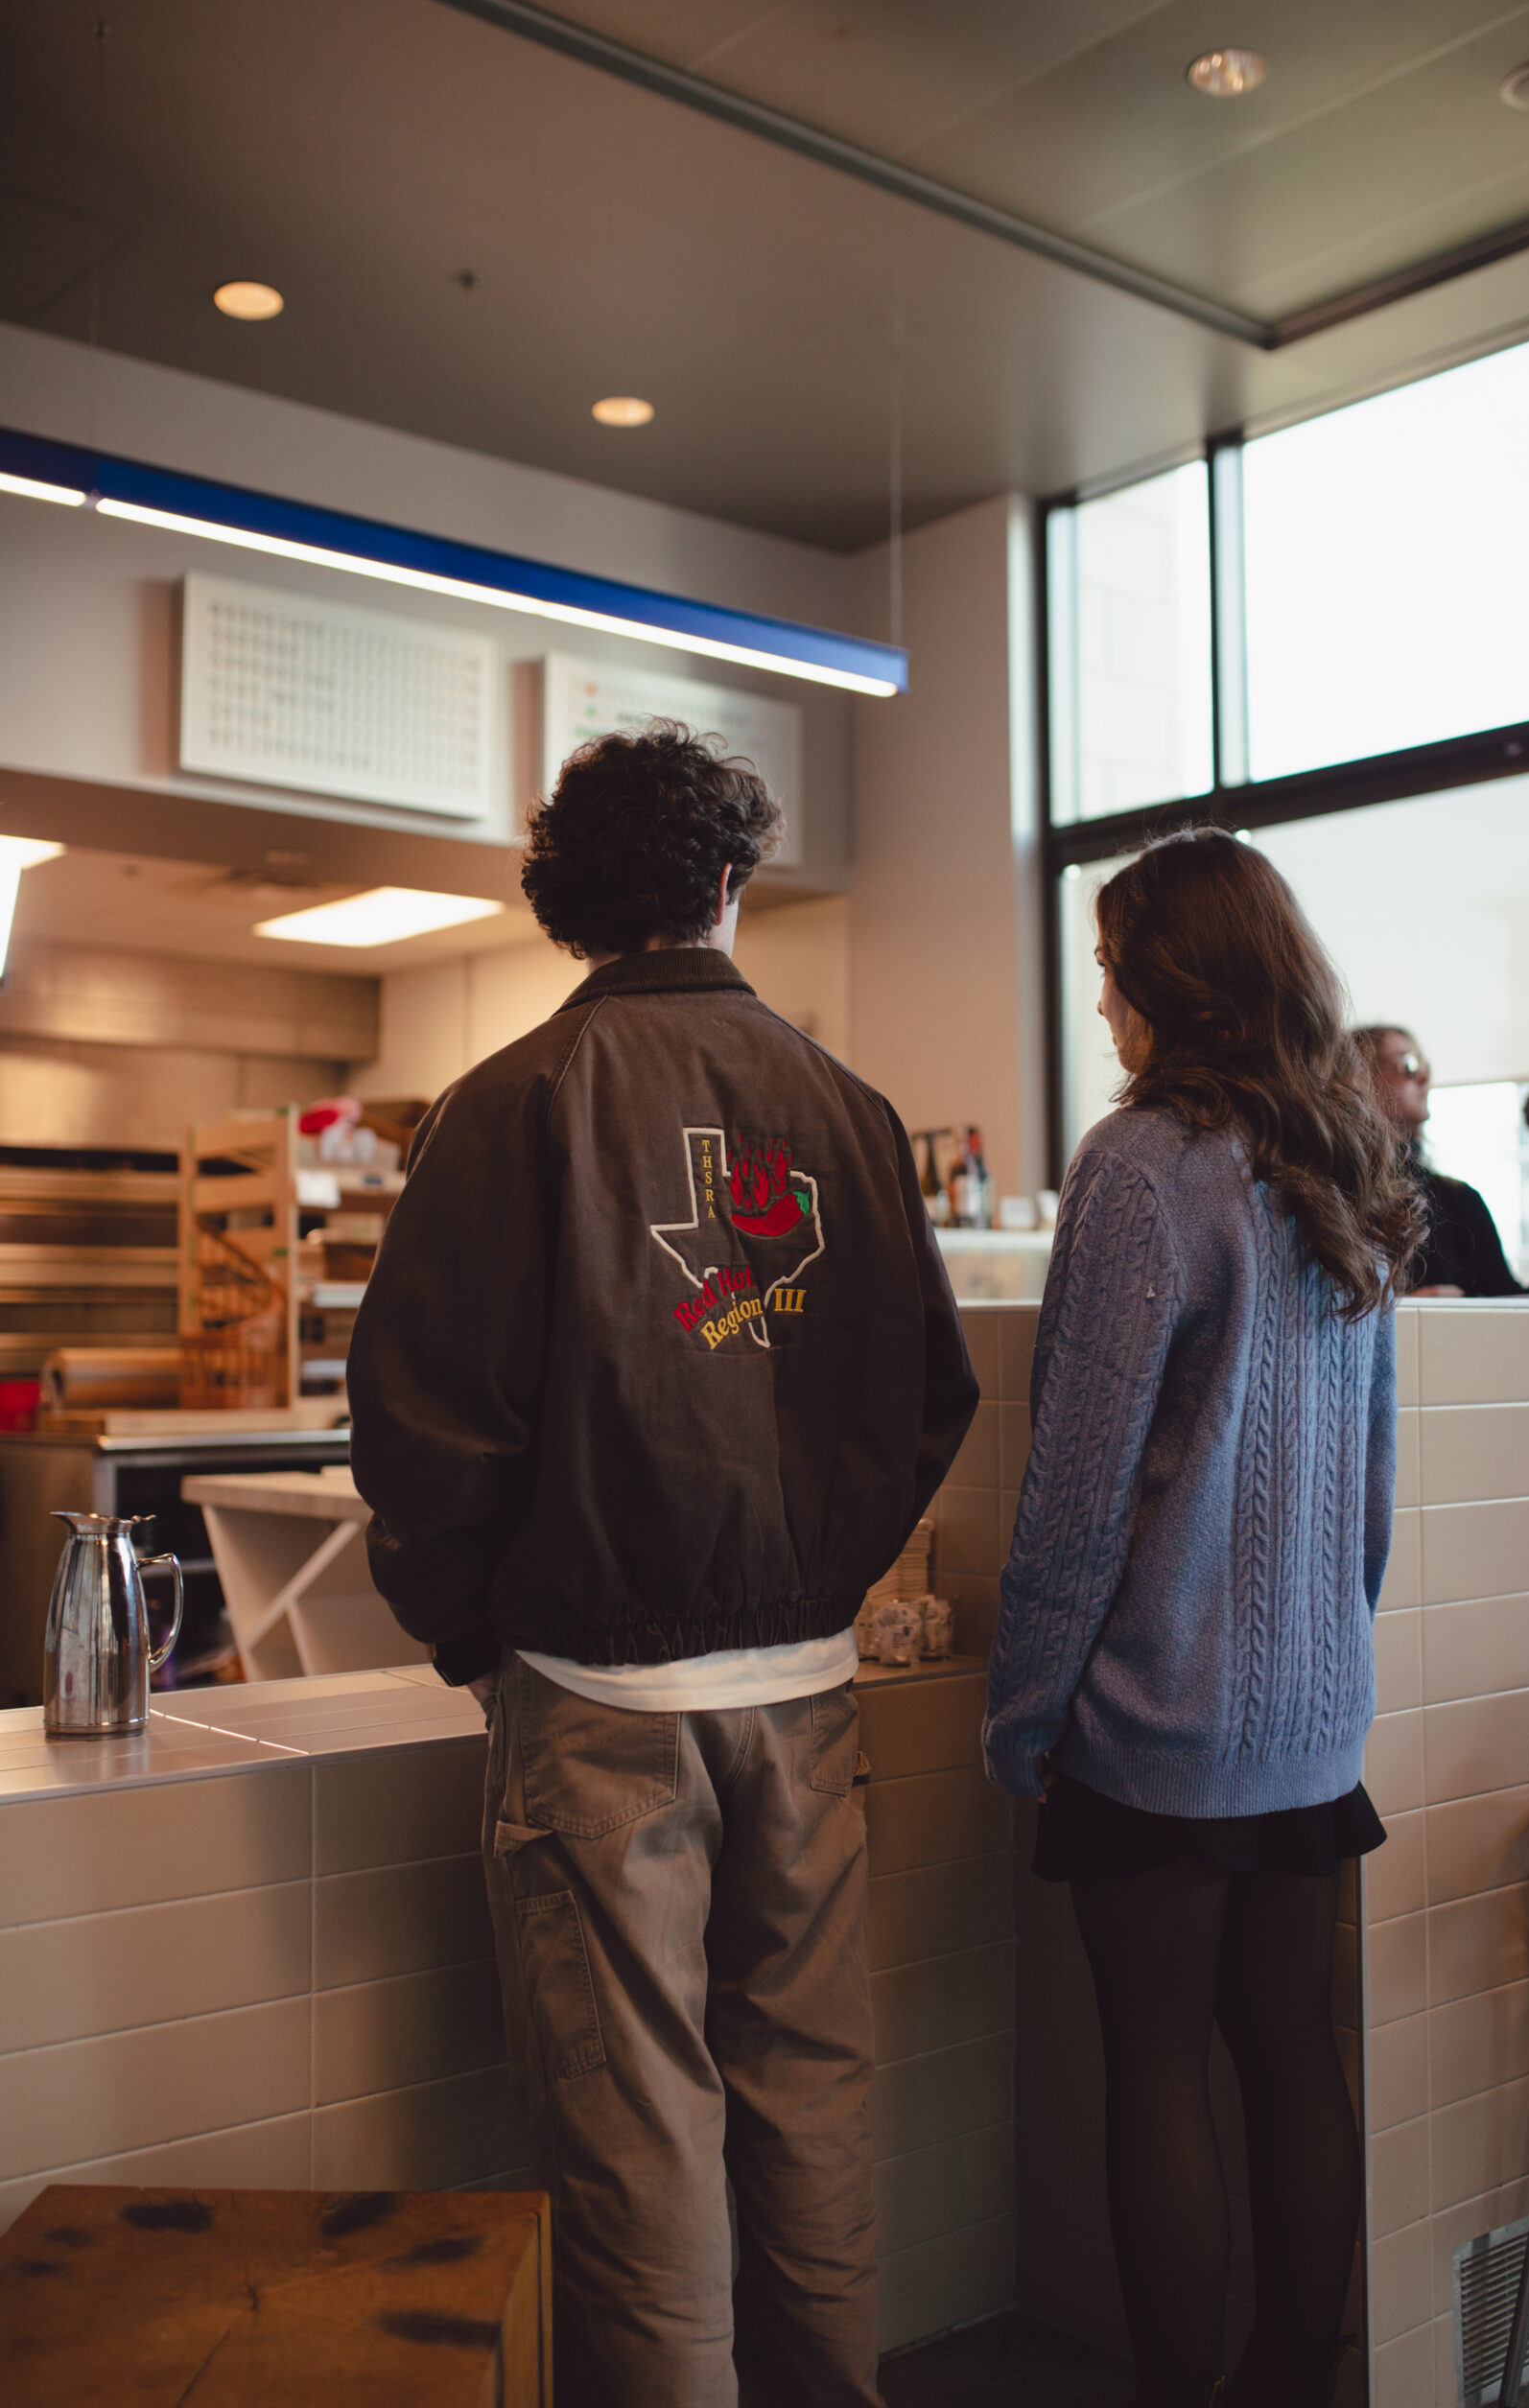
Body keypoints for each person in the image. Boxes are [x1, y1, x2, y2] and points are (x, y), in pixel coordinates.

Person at [347, 720, 977, 2408]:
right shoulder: (848, 1111)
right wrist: (821, 1581)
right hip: (807, 1689)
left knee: (636, 2133)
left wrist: (481, 1632)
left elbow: (419, 1427)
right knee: (810, 2087)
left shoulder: (506, 1110)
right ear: (725, 881)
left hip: (595, 1693)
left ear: (569, 904)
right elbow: (933, 1395)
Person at [984, 830, 1423, 2408]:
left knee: (1157, 2067)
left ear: (1172, 982)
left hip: (1157, 1722)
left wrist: (1022, 1711)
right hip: (1310, 1718)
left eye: (1111, 971)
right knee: (1290, 2056)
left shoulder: (1141, 1166)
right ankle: (1295, 2386)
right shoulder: (1350, 1157)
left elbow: (1076, 1484)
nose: (1101, 1004)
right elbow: (1371, 1481)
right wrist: (1326, 1669)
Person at [1359, 1025, 1529, 1297]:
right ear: (1360, 1079)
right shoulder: (1336, 1199)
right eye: (1408, 1064)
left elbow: (1508, 1303)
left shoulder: (1458, 1201)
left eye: (1424, 1065)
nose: (1425, 1076)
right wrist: (1403, 1311)